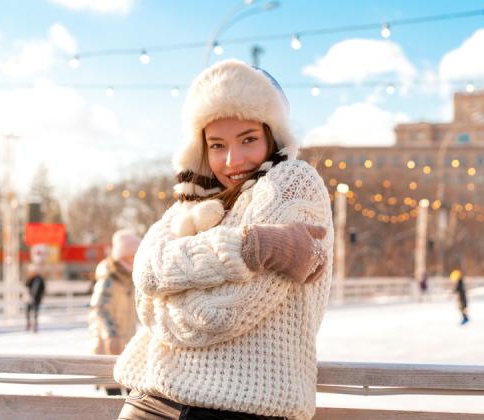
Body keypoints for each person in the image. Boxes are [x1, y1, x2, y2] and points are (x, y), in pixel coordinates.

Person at [113, 60, 333, 420]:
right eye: (217, 145)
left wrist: (166, 305)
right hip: (151, 401)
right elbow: (146, 270)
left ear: (272, 136)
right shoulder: (194, 203)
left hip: (240, 408)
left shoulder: (292, 182)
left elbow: (229, 312)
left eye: (248, 139)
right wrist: (251, 247)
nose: (233, 159)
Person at [89, 229, 141, 396]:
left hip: (127, 343)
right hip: (109, 346)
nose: (134, 259)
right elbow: (99, 308)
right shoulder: (109, 278)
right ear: (122, 255)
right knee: (114, 394)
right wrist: (110, 335)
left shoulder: (131, 279)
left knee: (132, 391)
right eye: (131, 255)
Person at [24, 264, 46, 333]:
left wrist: (40, 295)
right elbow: (26, 285)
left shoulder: (40, 279)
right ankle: (29, 324)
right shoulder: (30, 278)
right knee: (28, 311)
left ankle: (35, 325)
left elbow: (43, 288)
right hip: (29, 298)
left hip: (37, 298)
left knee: (35, 312)